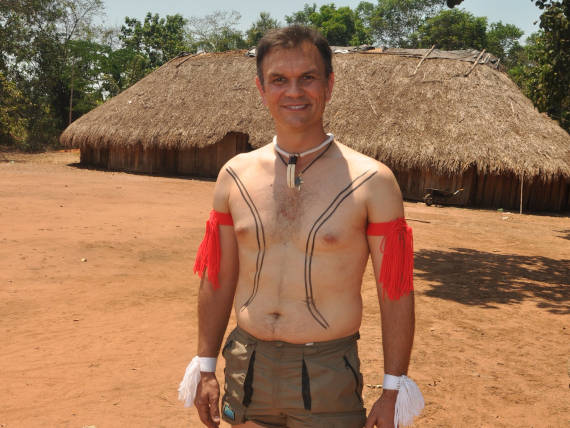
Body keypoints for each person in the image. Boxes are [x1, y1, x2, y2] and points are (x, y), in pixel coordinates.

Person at [179, 25, 423, 428]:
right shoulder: (234, 175)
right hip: (246, 365)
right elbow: (217, 276)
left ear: (329, 85)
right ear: (261, 89)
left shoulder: (372, 181)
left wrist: (393, 387)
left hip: (328, 373)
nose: (294, 91)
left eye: (307, 77)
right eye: (279, 80)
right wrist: (205, 366)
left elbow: (394, 290)